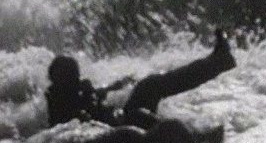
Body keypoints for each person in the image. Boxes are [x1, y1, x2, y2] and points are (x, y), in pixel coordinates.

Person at [45, 28, 236, 130]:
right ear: (58, 80)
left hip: (120, 126)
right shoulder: (59, 105)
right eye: (72, 77)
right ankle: (197, 136)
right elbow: (78, 129)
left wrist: (115, 85)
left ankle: (217, 62)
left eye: (76, 76)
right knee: (139, 109)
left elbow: (96, 97)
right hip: (117, 138)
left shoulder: (77, 91)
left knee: (151, 84)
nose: (77, 80)